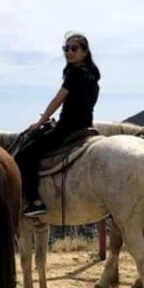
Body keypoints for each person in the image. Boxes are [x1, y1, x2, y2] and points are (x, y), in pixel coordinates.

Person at [15, 32, 100, 217]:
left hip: (68, 127)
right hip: (85, 126)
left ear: (85, 52)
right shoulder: (93, 76)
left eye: (74, 48)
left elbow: (57, 101)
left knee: (25, 155)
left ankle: (34, 201)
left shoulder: (75, 73)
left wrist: (40, 123)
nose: (69, 52)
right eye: (66, 49)